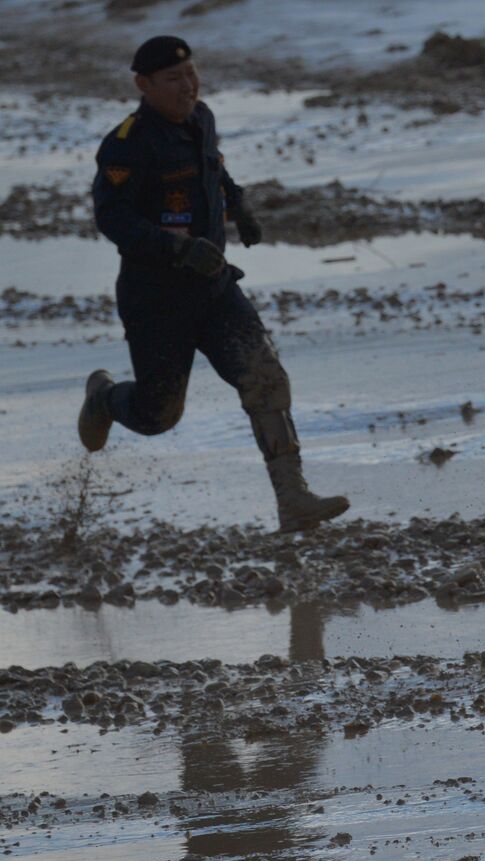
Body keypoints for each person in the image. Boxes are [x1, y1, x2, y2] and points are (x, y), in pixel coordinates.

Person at [79, 36, 348, 534]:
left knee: (264, 376)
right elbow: (112, 218)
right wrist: (176, 248)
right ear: (143, 84)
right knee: (159, 415)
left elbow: (214, 168)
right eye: (173, 79)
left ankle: (294, 499)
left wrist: (238, 205)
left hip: (214, 288)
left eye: (191, 74)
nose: (188, 86)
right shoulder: (127, 144)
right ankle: (104, 399)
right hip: (156, 299)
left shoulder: (201, 118)